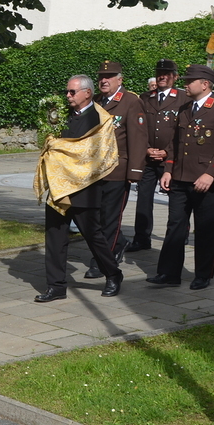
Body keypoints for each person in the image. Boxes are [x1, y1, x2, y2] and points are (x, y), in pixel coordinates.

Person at [34, 75, 123, 302]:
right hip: (60, 185)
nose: (68, 96)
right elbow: (50, 140)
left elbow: (96, 153)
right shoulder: (60, 115)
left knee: (93, 235)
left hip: (85, 187)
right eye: (67, 91)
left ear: (87, 93)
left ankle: (113, 274)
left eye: (72, 92)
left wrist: (62, 149)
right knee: (54, 237)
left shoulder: (100, 119)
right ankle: (56, 286)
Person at [148, 65, 214, 290]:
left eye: (190, 81)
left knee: (205, 228)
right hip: (180, 177)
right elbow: (175, 143)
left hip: (205, 180)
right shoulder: (185, 108)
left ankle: (203, 274)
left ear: (205, 84)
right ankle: (169, 273)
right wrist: (168, 169)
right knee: (175, 225)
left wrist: (211, 173)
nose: (185, 84)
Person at [83, 61, 146, 279]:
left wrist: (135, 171)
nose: (104, 80)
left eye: (109, 77)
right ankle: (118, 244)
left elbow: (138, 138)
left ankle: (102, 262)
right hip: (95, 171)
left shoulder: (131, 101)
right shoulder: (96, 101)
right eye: (101, 77)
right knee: (95, 217)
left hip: (117, 170)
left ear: (120, 79)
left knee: (109, 218)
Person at [129, 59, 190, 251]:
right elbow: (139, 128)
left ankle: (179, 236)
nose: (162, 77)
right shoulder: (145, 98)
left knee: (177, 202)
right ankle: (141, 238)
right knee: (143, 200)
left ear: (175, 77)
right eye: (159, 73)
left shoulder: (183, 98)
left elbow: (183, 132)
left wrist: (167, 152)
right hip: (148, 158)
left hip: (171, 159)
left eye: (166, 74)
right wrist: (146, 148)